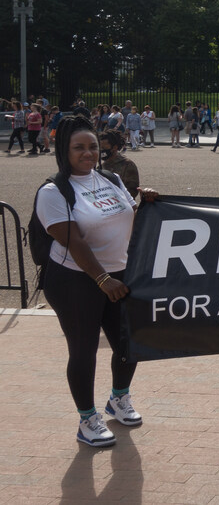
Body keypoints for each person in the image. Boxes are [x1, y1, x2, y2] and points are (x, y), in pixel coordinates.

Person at [36, 116, 158, 447]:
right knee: (84, 349)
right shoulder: (53, 191)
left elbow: (122, 220)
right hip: (75, 279)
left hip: (118, 274)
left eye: (92, 146)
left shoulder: (111, 178)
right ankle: (87, 418)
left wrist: (141, 202)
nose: (88, 153)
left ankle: (118, 399)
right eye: (79, 148)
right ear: (64, 150)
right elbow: (73, 241)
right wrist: (102, 279)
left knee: (129, 343)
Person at [99, 129, 140, 197]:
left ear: (114, 147)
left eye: (103, 148)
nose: (101, 150)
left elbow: (132, 191)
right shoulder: (101, 165)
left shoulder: (127, 165)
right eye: (100, 148)